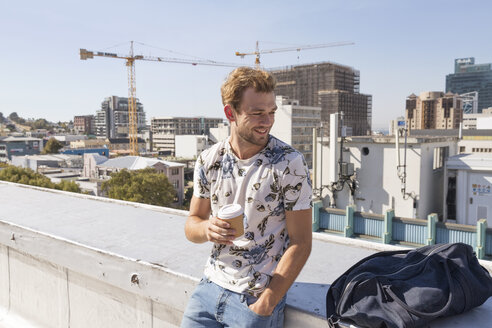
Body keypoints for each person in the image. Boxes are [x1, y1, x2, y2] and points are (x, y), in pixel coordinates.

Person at [181, 67, 313, 328]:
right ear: (231, 113)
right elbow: (192, 224)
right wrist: (207, 228)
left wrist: (267, 302)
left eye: (271, 112)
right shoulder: (209, 160)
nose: (267, 121)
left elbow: (301, 242)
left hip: (254, 301)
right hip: (208, 291)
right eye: (257, 114)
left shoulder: (289, 163)